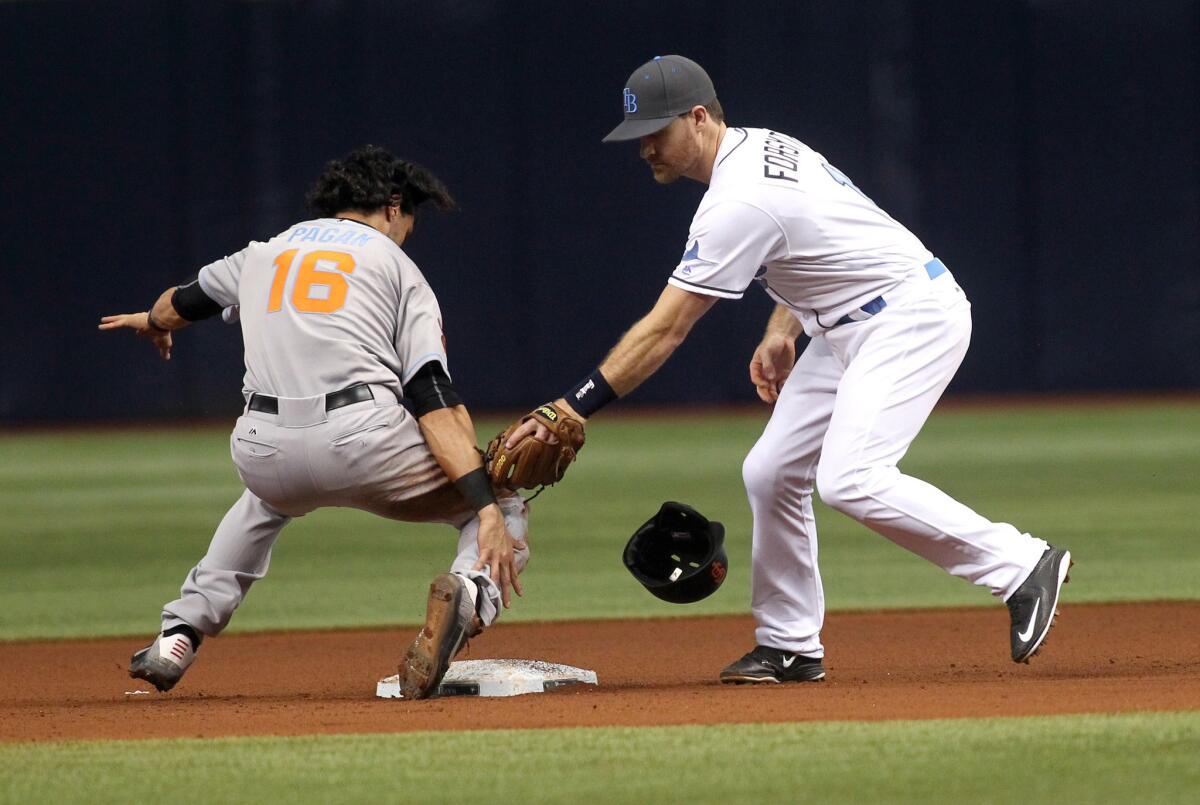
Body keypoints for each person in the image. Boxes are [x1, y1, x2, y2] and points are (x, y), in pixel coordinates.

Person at [508, 55, 1071, 683]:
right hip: (841, 324)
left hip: (909, 317)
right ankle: (789, 645)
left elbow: (666, 329)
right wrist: (782, 331)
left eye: (656, 133)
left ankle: (1020, 564)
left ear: (699, 118)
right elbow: (812, 244)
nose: (644, 149)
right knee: (770, 470)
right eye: (637, 137)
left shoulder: (738, 199)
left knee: (850, 479)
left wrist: (574, 403)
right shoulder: (760, 147)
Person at [99, 145, 528, 700]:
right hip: (363, 441)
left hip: (262, 448)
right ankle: (469, 594)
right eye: (410, 218)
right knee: (506, 502)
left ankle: (177, 635)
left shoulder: (264, 252)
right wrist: (486, 502)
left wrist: (155, 323)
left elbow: (182, 302)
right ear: (393, 206)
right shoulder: (397, 266)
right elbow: (430, 395)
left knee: (263, 502)